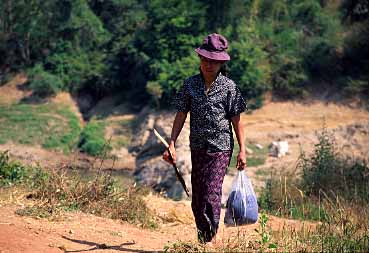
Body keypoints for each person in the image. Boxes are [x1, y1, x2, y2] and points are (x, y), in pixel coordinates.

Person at [162, 33, 247, 244]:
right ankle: (203, 237)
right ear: (200, 59)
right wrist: (171, 143)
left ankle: (210, 238)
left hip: (221, 148)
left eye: (214, 61)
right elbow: (181, 114)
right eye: (205, 60)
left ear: (220, 63)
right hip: (197, 146)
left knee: (211, 192)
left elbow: (237, 120)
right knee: (198, 196)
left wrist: (242, 150)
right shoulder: (190, 85)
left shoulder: (229, 87)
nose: (209, 65)